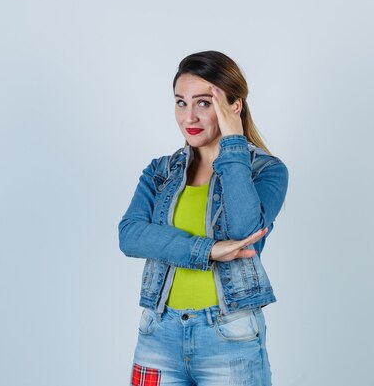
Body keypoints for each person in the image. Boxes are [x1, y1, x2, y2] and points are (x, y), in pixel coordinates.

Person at [119, 50, 288, 386]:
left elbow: (245, 229)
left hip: (230, 337)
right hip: (157, 334)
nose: (189, 117)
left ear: (233, 107)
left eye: (204, 103)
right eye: (181, 102)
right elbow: (130, 235)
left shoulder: (266, 171)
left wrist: (234, 143)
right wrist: (207, 250)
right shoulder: (160, 172)